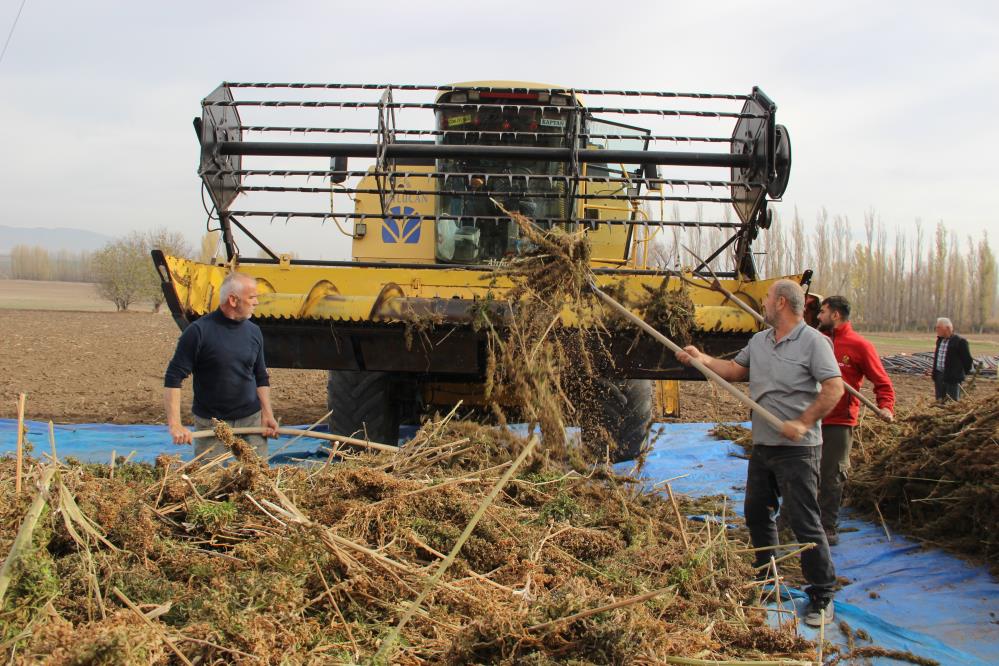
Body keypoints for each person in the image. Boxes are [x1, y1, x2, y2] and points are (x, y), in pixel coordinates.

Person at [676, 279, 844, 627]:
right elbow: (735, 371)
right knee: (756, 512)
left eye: (767, 298)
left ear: (781, 302)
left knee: (804, 521)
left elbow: (834, 388)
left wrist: (803, 422)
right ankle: (768, 578)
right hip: (764, 444)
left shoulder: (814, 342)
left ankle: (822, 594)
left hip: (798, 449)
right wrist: (700, 359)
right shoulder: (760, 341)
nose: (764, 303)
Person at [164, 271, 278, 460]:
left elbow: (261, 376)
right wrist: (175, 424)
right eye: (251, 297)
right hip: (212, 425)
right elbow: (173, 378)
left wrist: (267, 414)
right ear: (233, 300)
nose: (256, 302)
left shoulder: (254, 332)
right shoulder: (198, 332)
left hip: (251, 422)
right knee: (209, 476)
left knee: (259, 475)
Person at [816, 296, 895, 545]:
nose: (818, 316)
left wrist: (886, 407)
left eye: (822, 312)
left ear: (835, 315)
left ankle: (827, 526)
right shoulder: (815, 341)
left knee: (832, 475)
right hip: (810, 417)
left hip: (839, 420)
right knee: (803, 471)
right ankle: (796, 521)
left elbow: (882, 382)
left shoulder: (859, 346)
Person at [931, 317, 974, 402]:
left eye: (939, 327)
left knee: (952, 403)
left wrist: (959, 375)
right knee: (939, 401)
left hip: (953, 379)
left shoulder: (960, 341)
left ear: (947, 328)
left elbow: (967, 360)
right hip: (939, 377)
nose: (936, 330)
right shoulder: (939, 341)